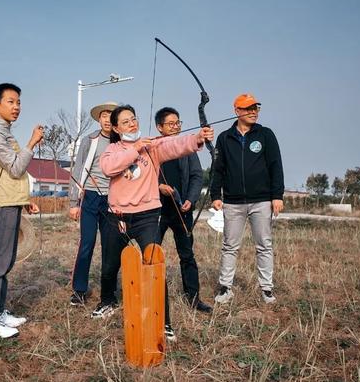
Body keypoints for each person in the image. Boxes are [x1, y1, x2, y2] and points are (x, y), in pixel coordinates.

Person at [94, 105, 213, 342]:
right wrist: (135, 149)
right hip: (117, 216)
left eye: (134, 119)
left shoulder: (152, 147)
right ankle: (107, 301)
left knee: (153, 265)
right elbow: (109, 168)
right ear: (116, 128)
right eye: (125, 122)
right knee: (109, 266)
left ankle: (164, 321)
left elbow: (174, 145)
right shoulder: (112, 150)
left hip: (147, 216)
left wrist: (198, 138)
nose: (132, 124)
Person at [0, 83, 43, 340]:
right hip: (2, 204)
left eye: (18, 102)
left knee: (5, 260)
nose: (16, 107)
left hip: (10, 201)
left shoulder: (5, 133)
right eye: (10, 102)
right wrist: (32, 142)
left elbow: (11, 176)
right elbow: (16, 168)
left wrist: (24, 198)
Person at [210, 94, 284, 305]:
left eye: (256, 108)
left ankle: (267, 289)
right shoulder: (224, 138)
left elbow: (275, 165)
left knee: (264, 245)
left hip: (261, 201)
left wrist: (277, 196)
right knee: (229, 245)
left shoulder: (265, 135)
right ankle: (225, 288)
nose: (253, 111)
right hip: (232, 202)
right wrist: (216, 195)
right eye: (248, 108)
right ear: (237, 111)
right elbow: (218, 169)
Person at [154, 107, 212, 314]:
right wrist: (158, 186)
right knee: (151, 254)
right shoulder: (153, 147)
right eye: (171, 124)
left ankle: (194, 298)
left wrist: (190, 199)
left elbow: (197, 176)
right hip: (158, 210)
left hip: (182, 209)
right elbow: (142, 177)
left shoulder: (186, 146)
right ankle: (151, 295)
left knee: (187, 254)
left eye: (178, 123)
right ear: (159, 127)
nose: (175, 127)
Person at [68, 101, 117, 306]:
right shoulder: (90, 140)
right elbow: (78, 169)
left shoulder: (122, 142)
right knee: (87, 242)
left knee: (111, 246)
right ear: (99, 119)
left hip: (113, 199)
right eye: (104, 115)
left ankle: (110, 291)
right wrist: (73, 202)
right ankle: (79, 290)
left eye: (111, 116)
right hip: (90, 196)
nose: (107, 119)